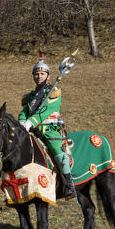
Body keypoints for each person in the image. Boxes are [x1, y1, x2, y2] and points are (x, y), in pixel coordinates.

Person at [18, 54, 76, 199]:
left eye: (42, 74)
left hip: (51, 130)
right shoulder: (30, 96)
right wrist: (21, 122)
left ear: (48, 76)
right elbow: (24, 111)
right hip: (33, 131)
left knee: (59, 153)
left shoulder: (54, 93)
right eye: (36, 74)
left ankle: (69, 184)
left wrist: (31, 122)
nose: (39, 76)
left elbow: (47, 111)